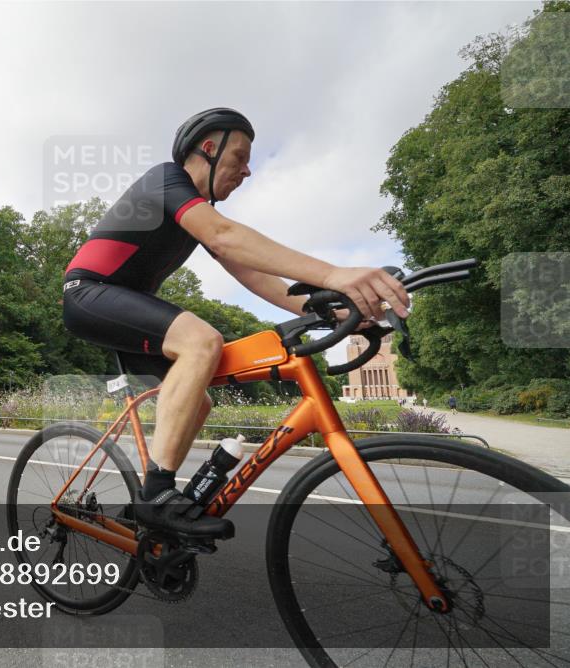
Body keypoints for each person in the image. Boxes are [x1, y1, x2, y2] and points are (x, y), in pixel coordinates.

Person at [62, 108, 411, 539]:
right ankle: (157, 494)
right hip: (87, 292)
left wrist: (331, 312)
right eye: (240, 157)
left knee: (201, 399)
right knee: (202, 342)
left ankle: (145, 518)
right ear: (208, 149)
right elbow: (225, 236)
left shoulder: (196, 214)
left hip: (127, 303)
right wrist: (336, 274)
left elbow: (254, 272)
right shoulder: (167, 181)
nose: (247, 170)